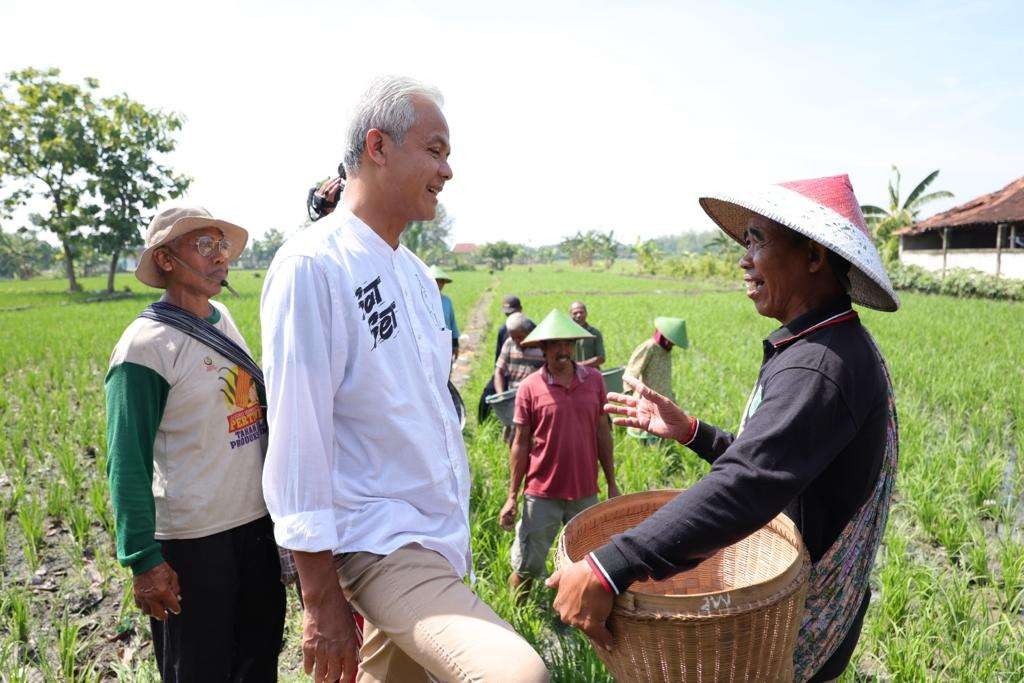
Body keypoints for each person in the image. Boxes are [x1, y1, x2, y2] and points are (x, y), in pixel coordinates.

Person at [547, 174, 900, 683]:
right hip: (801, 598)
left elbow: (749, 482)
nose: (743, 256)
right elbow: (781, 464)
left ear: (815, 257)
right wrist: (694, 431)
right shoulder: (820, 346)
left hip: (800, 618)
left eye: (757, 239)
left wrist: (611, 564)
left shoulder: (819, 366)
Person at [260, 76, 548, 683]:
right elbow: (298, 435)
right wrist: (319, 600)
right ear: (378, 146)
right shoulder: (315, 265)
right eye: (436, 151)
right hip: (382, 537)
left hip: (437, 533)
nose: (447, 172)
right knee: (518, 675)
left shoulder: (415, 276)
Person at [105, 206, 284, 681]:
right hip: (192, 545)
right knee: (200, 671)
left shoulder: (221, 319)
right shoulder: (145, 348)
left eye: (222, 245)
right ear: (165, 259)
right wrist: (143, 561)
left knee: (258, 662)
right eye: (205, 246)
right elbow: (126, 462)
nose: (221, 257)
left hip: (254, 529)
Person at [500, 309, 619, 597]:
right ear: (543, 349)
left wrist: (612, 483)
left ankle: (572, 615)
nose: (562, 350)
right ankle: (516, 619)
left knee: (586, 565)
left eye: (567, 343)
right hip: (542, 493)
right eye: (555, 344)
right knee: (528, 564)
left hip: (584, 492)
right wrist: (512, 496)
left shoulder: (593, 381)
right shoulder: (529, 388)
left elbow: (603, 432)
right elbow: (520, 443)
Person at [622, 317, 687, 444]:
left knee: (663, 434)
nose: (672, 344)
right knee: (645, 434)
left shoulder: (667, 351)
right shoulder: (649, 347)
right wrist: (629, 392)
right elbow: (631, 370)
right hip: (647, 399)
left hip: (663, 398)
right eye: (671, 340)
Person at [477, 294, 523, 422]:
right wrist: (498, 375)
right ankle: (483, 425)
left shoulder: (530, 328)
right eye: (507, 314)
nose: (510, 317)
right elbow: (498, 358)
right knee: (487, 394)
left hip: (522, 372)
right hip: (505, 370)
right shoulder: (503, 330)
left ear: (521, 310)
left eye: (513, 313)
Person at [493, 312, 544, 394]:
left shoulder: (543, 347)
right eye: (513, 337)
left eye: (520, 337)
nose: (516, 341)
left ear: (529, 332)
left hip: (536, 395)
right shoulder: (509, 343)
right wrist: (501, 395)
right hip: (513, 395)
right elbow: (499, 371)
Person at [428, 264, 460, 363]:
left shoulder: (447, 301)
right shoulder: (420, 301)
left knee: (446, 372)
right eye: (437, 281)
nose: (440, 284)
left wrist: (455, 344)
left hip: (445, 343)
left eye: (441, 281)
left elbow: (452, 323)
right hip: (429, 344)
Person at [569, 301, 605, 368]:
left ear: (586, 313)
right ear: (570, 315)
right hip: (570, 375)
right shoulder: (565, 334)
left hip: (591, 375)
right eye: (575, 313)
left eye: (581, 312)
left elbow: (601, 358)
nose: (579, 315)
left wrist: (579, 365)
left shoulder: (594, 333)